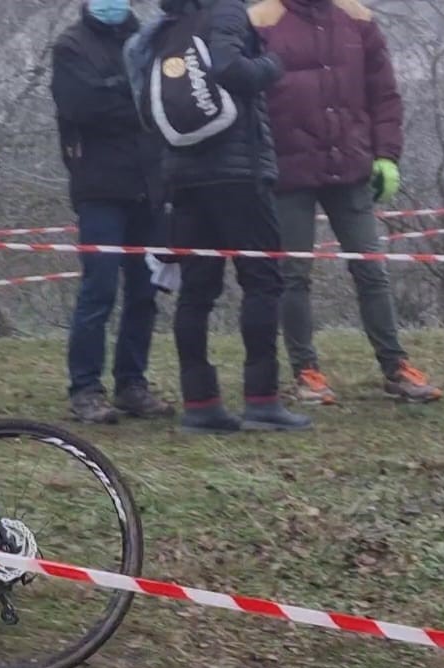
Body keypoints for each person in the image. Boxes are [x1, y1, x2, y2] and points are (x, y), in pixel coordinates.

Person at [129, 0, 311, 433]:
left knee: (197, 289)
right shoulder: (226, 12)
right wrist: (272, 64)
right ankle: (262, 400)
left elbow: (144, 108)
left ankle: (201, 404)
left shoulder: (163, 29)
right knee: (262, 279)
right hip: (237, 175)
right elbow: (233, 71)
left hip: (183, 177)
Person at [250, 0, 441, 404]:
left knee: (372, 270)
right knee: (293, 275)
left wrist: (387, 155)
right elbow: (248, 101)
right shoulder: (260, 20)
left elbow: (384, 93)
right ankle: (306, 372)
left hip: (350, 166)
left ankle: (395, 367)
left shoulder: (357, 18)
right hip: (288, 173)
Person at [51, 0, 175, 424]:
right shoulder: (70, 45)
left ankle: (132, 384)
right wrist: (130, 92)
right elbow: (81, 107)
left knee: (145, 293)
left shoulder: (149, 40)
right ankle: (85, 388)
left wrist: (114, 89)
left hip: (149, 186)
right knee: (98, 290)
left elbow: (163, 101)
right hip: (98, 189)